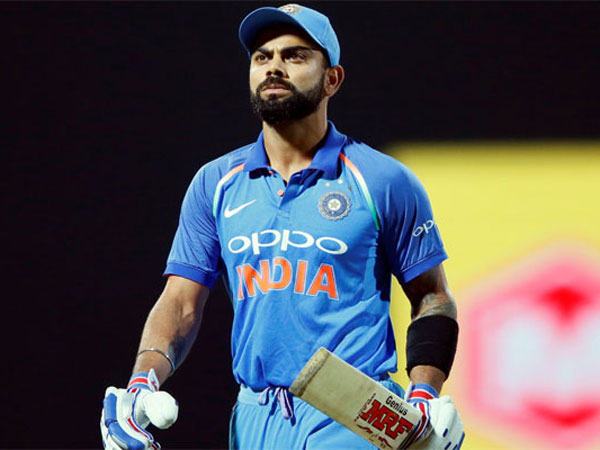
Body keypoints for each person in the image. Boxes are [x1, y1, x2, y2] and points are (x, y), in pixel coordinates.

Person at [101, 4, 464, 449]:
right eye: (262, 56)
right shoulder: (216, 183)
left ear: (332, 79)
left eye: (295, 55)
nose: (274, 66)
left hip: (356, 416)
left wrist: (424, 393)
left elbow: (432, 298)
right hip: (254, 419)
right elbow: (180, 302)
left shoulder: (383, 180)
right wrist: (142, 381)